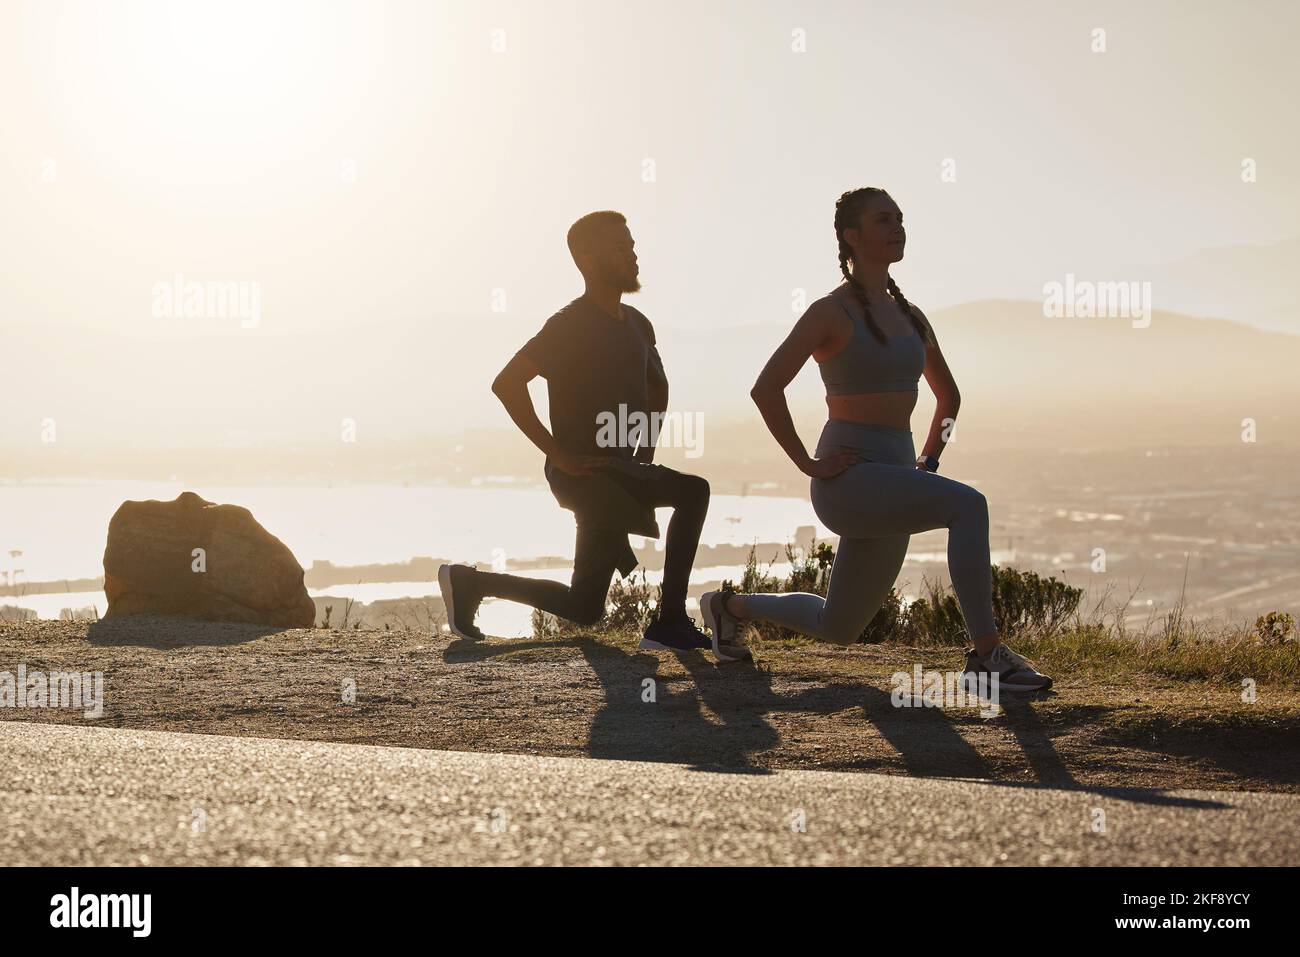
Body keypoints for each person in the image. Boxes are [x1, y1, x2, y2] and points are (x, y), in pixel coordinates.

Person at [699, 187, 1051, 690]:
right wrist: (808, 463)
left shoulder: (911, 316)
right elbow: (765, 389)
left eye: (900, 219)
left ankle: (726, 608)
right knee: (969, 506)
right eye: (884, 220)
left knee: (839, 626)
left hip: (896, 477)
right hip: (850, 480)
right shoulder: (829, 313)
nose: (897, 228)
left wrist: (928, 461)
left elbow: (949, 399)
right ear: (851, 236)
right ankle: (986, 657)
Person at [439, 210, 739, 658]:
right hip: (586, 473)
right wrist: (558, 454)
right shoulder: (569, 324)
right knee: (694, 491)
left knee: (584, 607)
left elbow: (658, 385)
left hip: (619, 470)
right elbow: (507, 383)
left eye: (633, 246)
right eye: (621, 248)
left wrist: (646, 446)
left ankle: (471, 583)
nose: (633, 256)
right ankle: (671, 621)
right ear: (586, 258)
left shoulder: (638, 324)